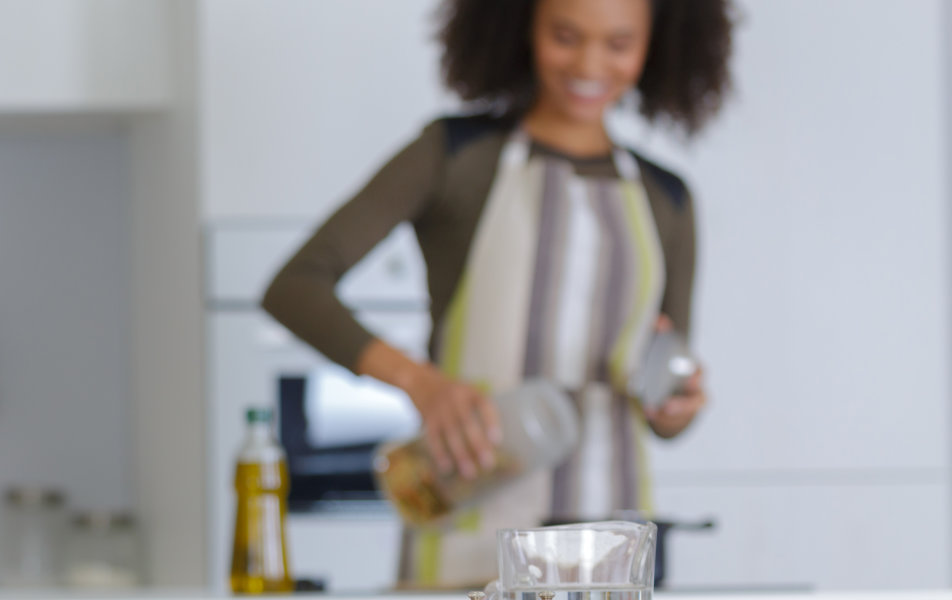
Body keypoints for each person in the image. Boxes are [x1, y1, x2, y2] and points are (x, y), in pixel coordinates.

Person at [261, 0, 732, 587]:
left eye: (618, 43)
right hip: (464, 530)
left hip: (603, 550)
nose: (589, 62)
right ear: (522, 27)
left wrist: (676, 404)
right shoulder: (455, 156)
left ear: (654, 47)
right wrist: (423, 385)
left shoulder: (669, 200)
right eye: (565, 35)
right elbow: (295, 286)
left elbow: (664, 410)